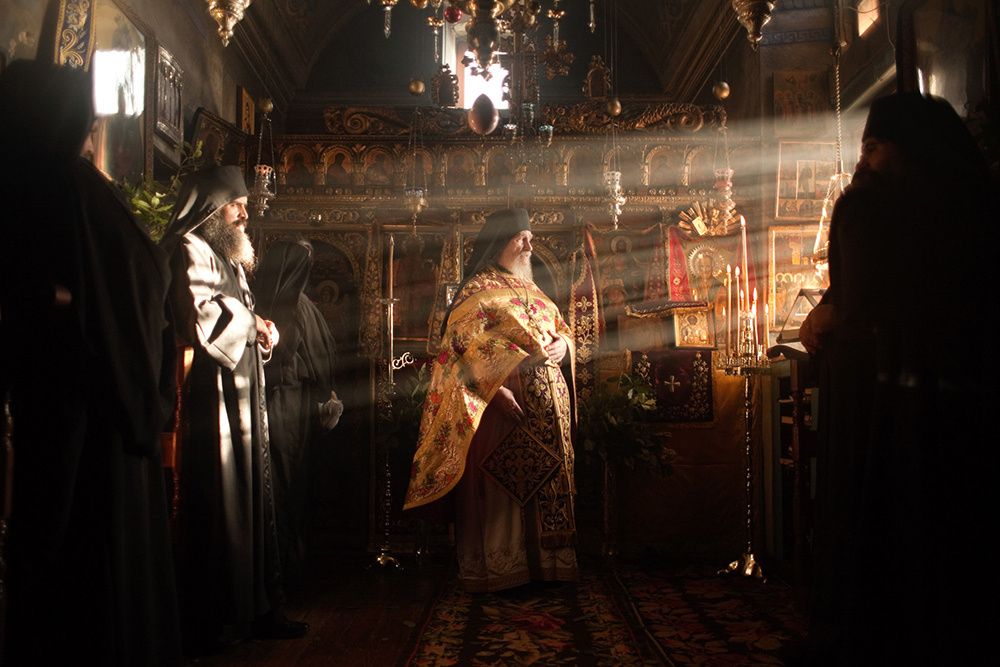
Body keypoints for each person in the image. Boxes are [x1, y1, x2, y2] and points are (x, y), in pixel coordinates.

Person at [797, 93, 996, 665]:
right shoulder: (973, 200)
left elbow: (861, 303)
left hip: (892, 397)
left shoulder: (874, 208)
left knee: (885, 524)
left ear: (905, 148)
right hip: (962, 399)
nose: (865, 162)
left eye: (873, 146)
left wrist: (831, 312)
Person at [0, 60, 182, 665]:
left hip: (89, 399)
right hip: (85, 400)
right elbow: (126, 275)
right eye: (87, 121)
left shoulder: (50, 180)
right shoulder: (59, 184)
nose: (94, 130)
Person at [161, 165, 307, 652]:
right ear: (210, 209)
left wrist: (261, 329)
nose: (245, 213)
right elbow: (202, 316)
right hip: (213, 398)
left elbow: (237, 317)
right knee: (226, 499)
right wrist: (253, 323)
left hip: (244, 391)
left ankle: (259, 608)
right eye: (236, 204)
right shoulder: (190, 249)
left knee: (253, 498)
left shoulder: (224, 254)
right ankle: (220, 617)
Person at [404, 208, 579, 592]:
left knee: (544, 483)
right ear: (501, 241)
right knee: (505, 488)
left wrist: (563, 346)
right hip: (500, 410)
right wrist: (494, 390)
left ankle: (546, 566)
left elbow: (562, 328)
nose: (530, 246)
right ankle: (503, 570)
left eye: (530, 238)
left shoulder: (532, 289)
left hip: (548, 410)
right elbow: (458, 350)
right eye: (522, 238)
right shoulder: (475, 289)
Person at [251, 237, 343, 587]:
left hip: (267, 401)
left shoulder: (259, 299)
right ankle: (287, 568)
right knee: (289, 479)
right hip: (292, 403)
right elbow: (320, 359)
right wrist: (327, 393)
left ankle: (272, 569)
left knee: (272, 478)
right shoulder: (301, 305)